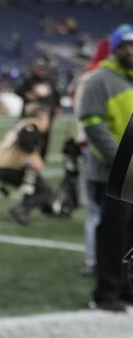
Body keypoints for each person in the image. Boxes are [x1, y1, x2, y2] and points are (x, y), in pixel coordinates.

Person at [78, 24, 133, 312]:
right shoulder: (101, 79)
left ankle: (127, 289)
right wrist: (123, 159)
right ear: (115, 48)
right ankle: (106, 293)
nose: (131, 51)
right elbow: (92, 124)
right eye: (126, 46)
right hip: (113, 171)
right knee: (113, 235)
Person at [70, 37, 111, 276]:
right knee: (105, 208)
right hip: (103, 146)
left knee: (96, 209)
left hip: (87, 144)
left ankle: (94, 258)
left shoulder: (84, 77)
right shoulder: (103, 78)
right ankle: (100, 259)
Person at [0, 104, 53, 226]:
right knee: (45, 192)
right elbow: (26, 142)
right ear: (41, 117)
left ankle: (31, 208)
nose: (48, 122)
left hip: (3, 166)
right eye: (47, 118)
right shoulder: (32, 126)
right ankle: (22, 209)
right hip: (11, 167)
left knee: (31, 186)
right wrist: (34, 157)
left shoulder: (23, 124)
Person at [14, 57, 61, 158]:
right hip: (30, 116)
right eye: (40, 69)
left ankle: (40, 160)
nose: (42, 71)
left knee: (45, 138)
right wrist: (27, 94)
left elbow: (57, 95)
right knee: (27, 136)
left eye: (44, 69)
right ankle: (24, 157)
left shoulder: (50, 82)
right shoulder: (29, 81)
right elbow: (18, 90)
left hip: (46, 116)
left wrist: (57, 106)